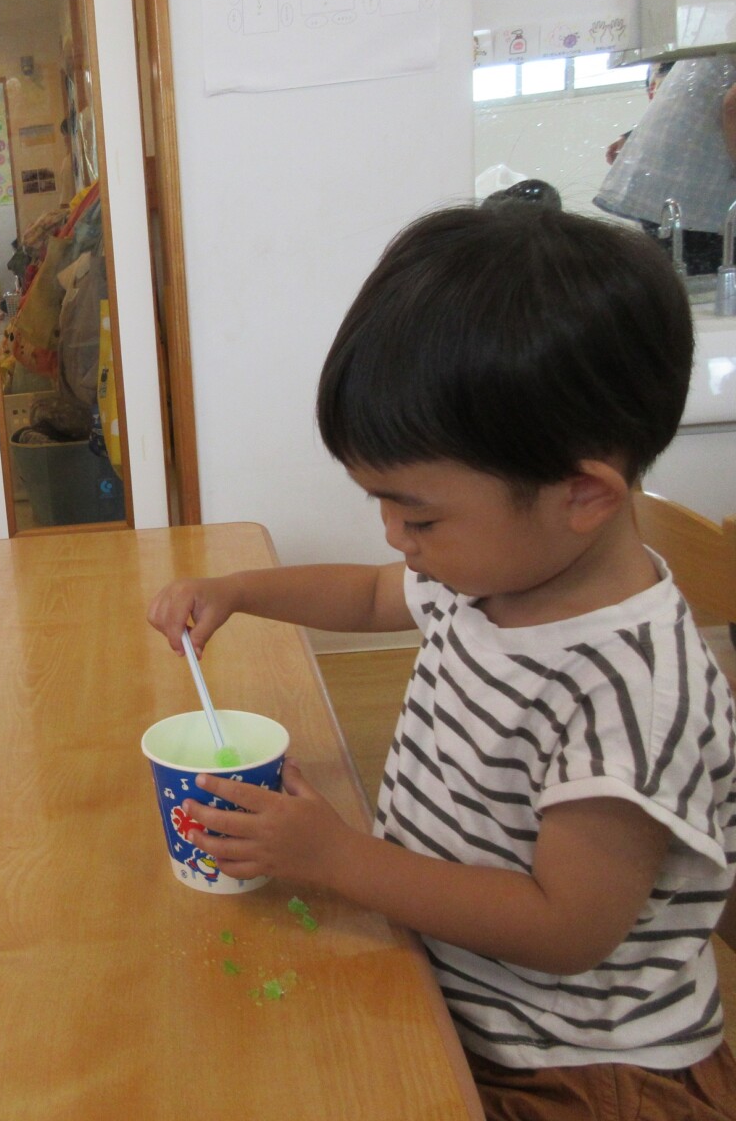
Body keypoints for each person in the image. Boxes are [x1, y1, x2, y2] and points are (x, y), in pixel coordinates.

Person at [148, 205, 736, 1119]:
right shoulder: (493, 576)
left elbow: (564, 928)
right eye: (382, 506)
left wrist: (337, 857)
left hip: (572, 1069)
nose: (396, 538)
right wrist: (239, 590)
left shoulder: (630, 691)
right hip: (452, 984)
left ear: (583, 494)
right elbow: (369, 596)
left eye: (417, 515)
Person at [596, 55, 736, 276]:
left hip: (673, 189)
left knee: (680, 283)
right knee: (707, 285)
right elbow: (732, 104)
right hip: (698, 200)